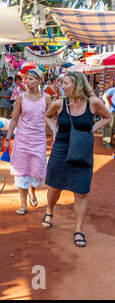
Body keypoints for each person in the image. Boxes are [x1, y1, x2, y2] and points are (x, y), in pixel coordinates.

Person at [43, 71, 111, 247]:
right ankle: (49, 210)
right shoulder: (59, 103)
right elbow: (47, 116)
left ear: (78, 84)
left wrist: (92, 130)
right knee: (55, 186)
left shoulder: (93, 102)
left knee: (81, 191)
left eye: (66, 83)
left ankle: (78, 229)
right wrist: (54, 130)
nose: (63, 86)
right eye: (62, 83)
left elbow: (107, 117)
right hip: (61, 149)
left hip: (81, 150)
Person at [4, 69, 51, 216]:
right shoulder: (20, 97)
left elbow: (50, 118)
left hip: (39, 140)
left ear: (39, 81)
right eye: (27, 79)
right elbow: (15, 118)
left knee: (36, 172)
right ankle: (23, 205)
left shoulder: (47, 98)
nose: (27, 81)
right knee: (21, 171)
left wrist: (53, 133)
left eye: (31, 79)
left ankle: (32, 191)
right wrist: (8, 137)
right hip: (22, 139)